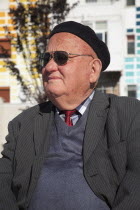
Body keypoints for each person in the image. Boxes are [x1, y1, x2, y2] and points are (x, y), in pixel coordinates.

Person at [0, 21, 140, 210]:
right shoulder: (22, 125)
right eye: (46, 58)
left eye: (61, 57)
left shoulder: (128, 114)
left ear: (93, 70)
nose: (49, 67)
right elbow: (3, 184)